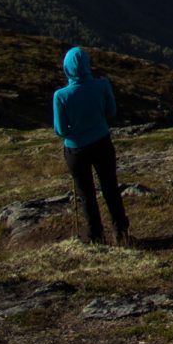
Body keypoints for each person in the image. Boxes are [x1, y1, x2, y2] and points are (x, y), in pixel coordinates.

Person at [52, 46, 130, 246]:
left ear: (67, 68)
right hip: (102, 142)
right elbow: (111, 111)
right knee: (110, 188)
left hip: (76, 150)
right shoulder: (102, 85)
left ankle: (96, 237)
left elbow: (61, 130)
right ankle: (121, 233)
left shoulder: (61, 96)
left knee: (86, 194)